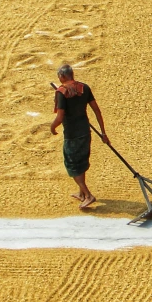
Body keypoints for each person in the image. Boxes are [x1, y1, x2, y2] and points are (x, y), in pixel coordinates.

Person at [50, 64, 109, 209]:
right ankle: (81, 193)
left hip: (72, 135)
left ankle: (88, 195)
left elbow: (60, 116)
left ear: (62, 77)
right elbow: (96, 110)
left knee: (72, 165)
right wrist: (103, 133)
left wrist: (52, 127)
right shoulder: (84, 87)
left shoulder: (61, 92)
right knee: (81, 162)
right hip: (85, 132)